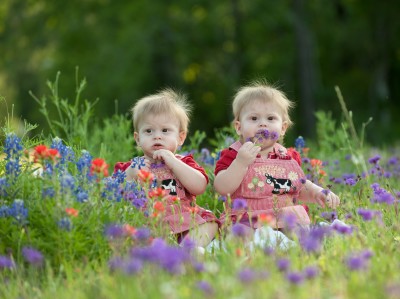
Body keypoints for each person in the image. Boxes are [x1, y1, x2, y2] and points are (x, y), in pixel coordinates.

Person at [213, 81, 340, 248]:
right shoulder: (234, 154)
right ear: (238, 127)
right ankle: (258, 248)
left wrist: (317, 192)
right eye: (253, 118)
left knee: (299, 234)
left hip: (284, 216)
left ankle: (311, 241)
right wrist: (240, 162)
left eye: (271, 118)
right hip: (247, 217)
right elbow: (222, 187)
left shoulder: (288, 156)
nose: (263, 124)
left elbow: (298, 186)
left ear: (283, 128)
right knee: (238, 238)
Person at [114, 89, 219, 250]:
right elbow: (112, 193)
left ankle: (187, 249)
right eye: (148, 131)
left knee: (210, 224)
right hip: (148, 223)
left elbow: (199, 186)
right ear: (138, 139)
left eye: (165, 130)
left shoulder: (183, 162)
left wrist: (173, 162)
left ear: (181, 138)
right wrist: (130, 174)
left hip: (184, 221)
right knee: (123, 233)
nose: (157, 136)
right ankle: (155, 252)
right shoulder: (132, 166)